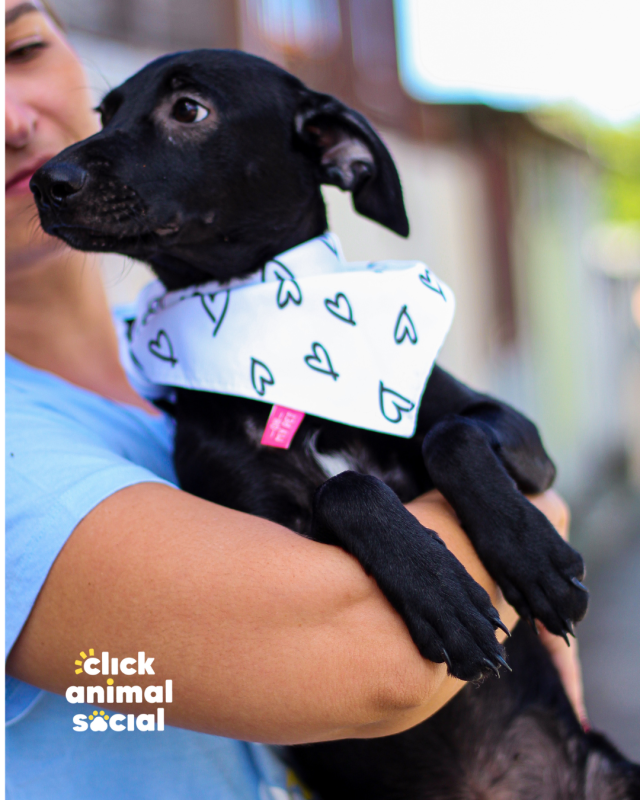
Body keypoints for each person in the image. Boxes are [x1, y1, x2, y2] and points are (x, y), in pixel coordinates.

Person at [4, 2, 586, 797]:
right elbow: (381, 666)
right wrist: (527, 523)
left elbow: (520, 451)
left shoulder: (201, 354)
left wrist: (477, 471)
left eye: (23, 46)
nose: (15, 123)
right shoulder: (23, 454)